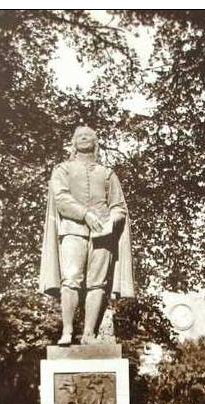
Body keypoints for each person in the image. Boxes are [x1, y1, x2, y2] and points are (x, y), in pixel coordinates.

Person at [39, 125, 134, 345]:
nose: (84, 137)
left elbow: (119, 206)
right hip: (73, 231)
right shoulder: (62, 170)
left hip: (103, 235)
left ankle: (89, 333)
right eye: (79, 135)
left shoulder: (108, 174)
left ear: (96, 142)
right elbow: (61, 199)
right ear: (73, 143)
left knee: (97, 284)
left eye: (89, 135)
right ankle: (68, 331)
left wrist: (111, 220)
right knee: (71, 280)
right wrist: (85, 214)